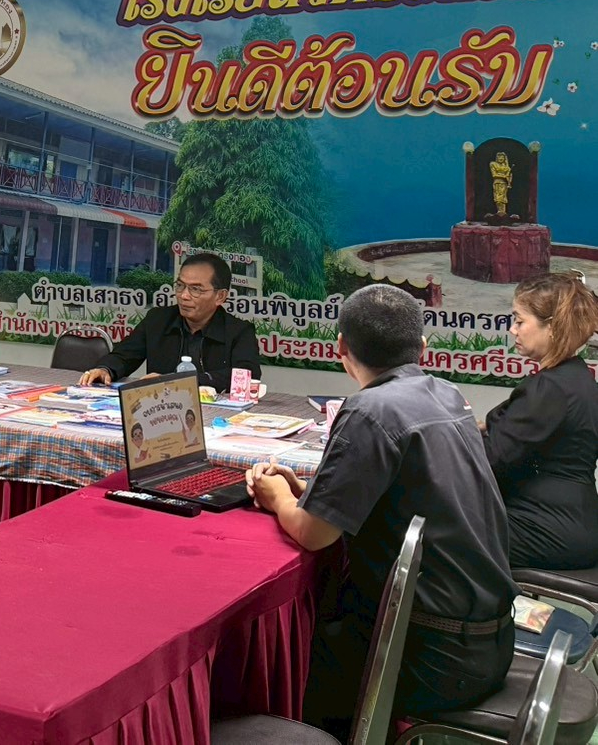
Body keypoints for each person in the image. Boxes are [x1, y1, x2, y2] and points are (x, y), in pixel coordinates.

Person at [245, 284, 516, 742]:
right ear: (423, 348)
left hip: (432, 656)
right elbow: (399, 493)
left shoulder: (369, 410)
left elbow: (314, 534)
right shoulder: (448, 394)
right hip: (490, 641)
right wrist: (310, 491)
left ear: (340, 348)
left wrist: (278, 498)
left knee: (298, 656)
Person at [482, 271, 598, 569]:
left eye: (519, 321)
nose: (512, 330)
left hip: (547, 527)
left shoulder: (550, 388)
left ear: (553, 327)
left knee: (432, 535)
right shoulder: (578, 377)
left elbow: (491, 461)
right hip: (575, 522)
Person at [78, 253, 260, 392]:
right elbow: (124, 355)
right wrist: (106, 369)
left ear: (220, 296)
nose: (184, 295)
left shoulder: (239, 331)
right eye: (180, 286)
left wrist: (177, 382)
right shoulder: (158, 320)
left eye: (196, 289)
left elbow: (247, 375)